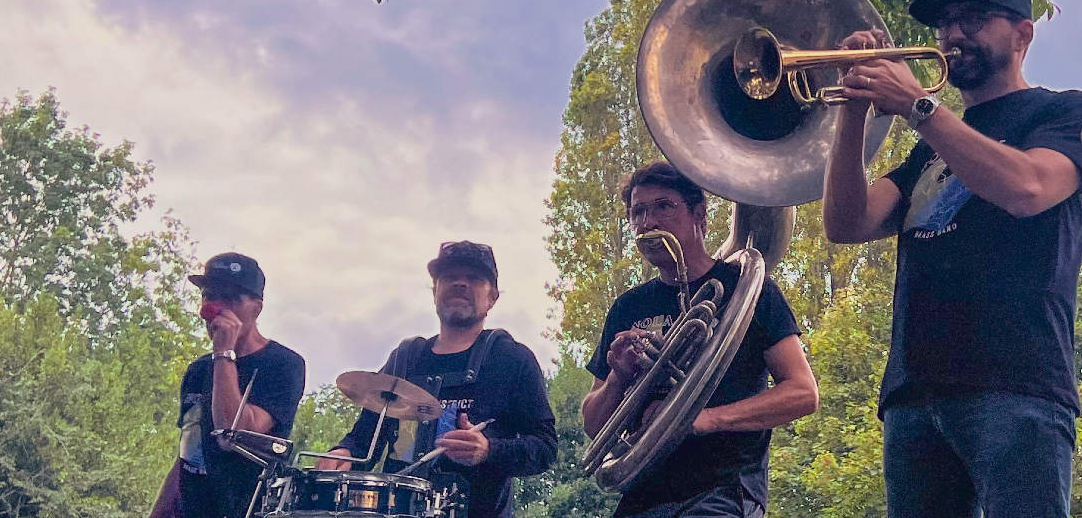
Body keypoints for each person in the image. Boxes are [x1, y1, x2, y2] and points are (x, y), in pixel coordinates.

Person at [820, 0, 1082, 518]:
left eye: (973, 20)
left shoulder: (1063, 110)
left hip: (1016, 383)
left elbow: (1028, 188)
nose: (953, 35)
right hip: (914, 392)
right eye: (945, 24)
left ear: (1023, 34)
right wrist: (852, 111)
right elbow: (847, 224)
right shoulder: (927, 152)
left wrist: (919, 108)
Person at [583, 161, 818, 518]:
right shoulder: (628, 306)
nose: (648, 223)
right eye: (638, 212)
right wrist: (619, 377)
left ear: (699, 214)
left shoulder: (746, 288)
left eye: (663, 206)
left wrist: (703, 418)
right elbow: (593, 426)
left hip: (723, 489)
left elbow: (802, 393)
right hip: (643, 495)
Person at [316, 241, 558, 518]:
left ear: (493, 298)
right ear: (434, 292)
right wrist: (345, 453)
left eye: (474, 278)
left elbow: (545, 447)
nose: (459, 283)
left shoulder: (512, 358)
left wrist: (489, 450)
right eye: (448, 277)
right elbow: (365, 437)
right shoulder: (405, 358)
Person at [157, 253, 308, 518]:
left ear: (256, 308)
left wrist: (224, 354)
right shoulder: (199, 371)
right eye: (208, 296)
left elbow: (233, 430)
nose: (213, 308)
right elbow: (188, 454)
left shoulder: (283, 365)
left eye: (229, 298)